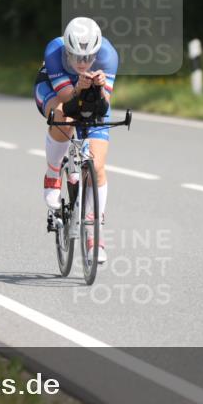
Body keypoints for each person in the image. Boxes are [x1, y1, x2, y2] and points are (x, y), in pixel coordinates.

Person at [34, 17, 118, 263]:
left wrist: (99, 88)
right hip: (54, 90)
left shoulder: (108, 55)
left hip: (92, 96)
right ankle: (52, 173)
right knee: (65, 119)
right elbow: (69, 102)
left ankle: (95, 235)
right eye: (76, 57)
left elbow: (102, 107)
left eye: (88, 58)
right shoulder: (54, 50)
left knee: (98, 166)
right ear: (67, 50)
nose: (83, 63)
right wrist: (80, 88)